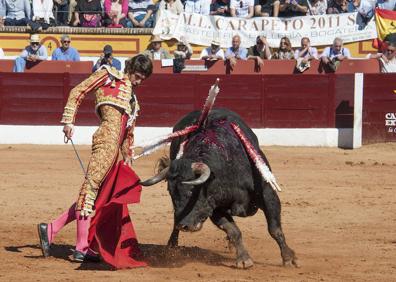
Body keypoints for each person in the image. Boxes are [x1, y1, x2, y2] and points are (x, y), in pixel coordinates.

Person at [37, 54, 153, 262]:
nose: (139, 81)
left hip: (115, 150)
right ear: (130, 68)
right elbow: (77, 91)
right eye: (137, 76)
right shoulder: (108, 76)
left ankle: (51, 229)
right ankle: (81, 247)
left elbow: (128, 131)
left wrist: (127, 154)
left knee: (96, 195)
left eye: (143, 79)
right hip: (104, 142)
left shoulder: (134, 101)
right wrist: (68, 121)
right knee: (89, 190)